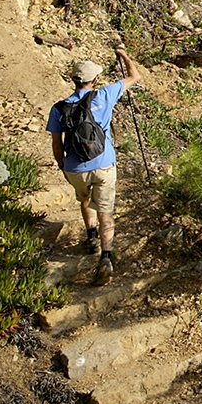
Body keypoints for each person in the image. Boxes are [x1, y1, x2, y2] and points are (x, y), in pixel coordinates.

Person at [47, 50, 144, 283]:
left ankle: (91, 237)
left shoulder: (59, 108)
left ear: (74, 80)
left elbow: (56, 143)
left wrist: (63, 166)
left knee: (85, 199)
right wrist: (123, 55)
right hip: (104, 164)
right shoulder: (103, 95)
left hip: (75, 167)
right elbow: (135, 76)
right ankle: (106, 257)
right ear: (95, 80)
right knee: (106, 213)